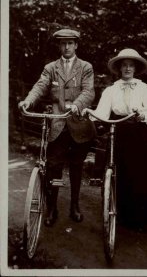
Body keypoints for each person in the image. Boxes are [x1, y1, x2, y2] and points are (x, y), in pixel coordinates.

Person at [19, 28, 96, 226]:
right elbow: (40, 86)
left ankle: (75, 205)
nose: (67, 47)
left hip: (78, 125)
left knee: (76, 167)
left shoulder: (85, 67)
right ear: (59, 46)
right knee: (54, 168)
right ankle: (52, 208)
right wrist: (28, 101)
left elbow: (89, 92)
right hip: (58, 124)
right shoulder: (51, 68)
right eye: (63, 43)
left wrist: (77, 105)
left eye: (70, 43)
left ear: (76, 45)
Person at [82, 48, 147, 230]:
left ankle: (145, 216)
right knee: (119, 171)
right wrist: (88, 113)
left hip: (139, 133)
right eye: (124, 65)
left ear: (135, 68)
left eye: (131, 65)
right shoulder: (111, 90)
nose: (127, 69)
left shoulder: (145, 88)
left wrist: (142, 115)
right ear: (119, 68)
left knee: (141, 172)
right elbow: (102, 113)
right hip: (118, 132)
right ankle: (119, 213)